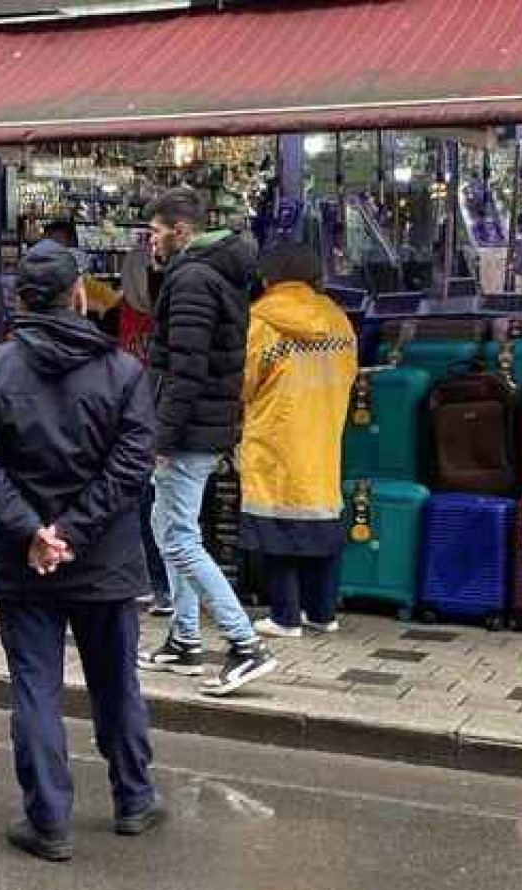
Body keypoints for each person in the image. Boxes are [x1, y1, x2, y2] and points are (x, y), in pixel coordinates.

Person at [0, 245, 164, 863]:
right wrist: (74, 530)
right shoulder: (122, 372)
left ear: (20, 301)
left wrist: (33, 533)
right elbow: (132, 466)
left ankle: (49, 820)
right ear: (78, 296)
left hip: (25, 562)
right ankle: (134, 798)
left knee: (35, 689)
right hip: (103, 557)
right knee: (116, 681)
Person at [137, 187, 275, 697]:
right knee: (168, 522)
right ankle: (185, 640)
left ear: (181, 230)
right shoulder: (214, 272)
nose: (150, 243)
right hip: (203, 424)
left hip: (189, 428)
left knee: (178, 536)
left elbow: (186, 369)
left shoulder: (193, 278)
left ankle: (245, 645)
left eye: (154, 233)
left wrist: (160, 435)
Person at [240, 242, 357, 638]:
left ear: (268, 276)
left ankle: (284, 616)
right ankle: (323, 613)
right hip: (324, 430)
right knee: (321, 521)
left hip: (277, 434)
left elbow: (245, 382)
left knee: (277, 525)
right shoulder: (338, 318)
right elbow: (350, 370)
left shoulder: (262, 320)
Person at [118, 246, 172, 618]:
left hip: (154, 425)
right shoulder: (120, 315)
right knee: (148, 508)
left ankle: (164, 588)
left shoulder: (173, 316)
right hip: (139, 423)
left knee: (155, 510)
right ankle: (159, 586)